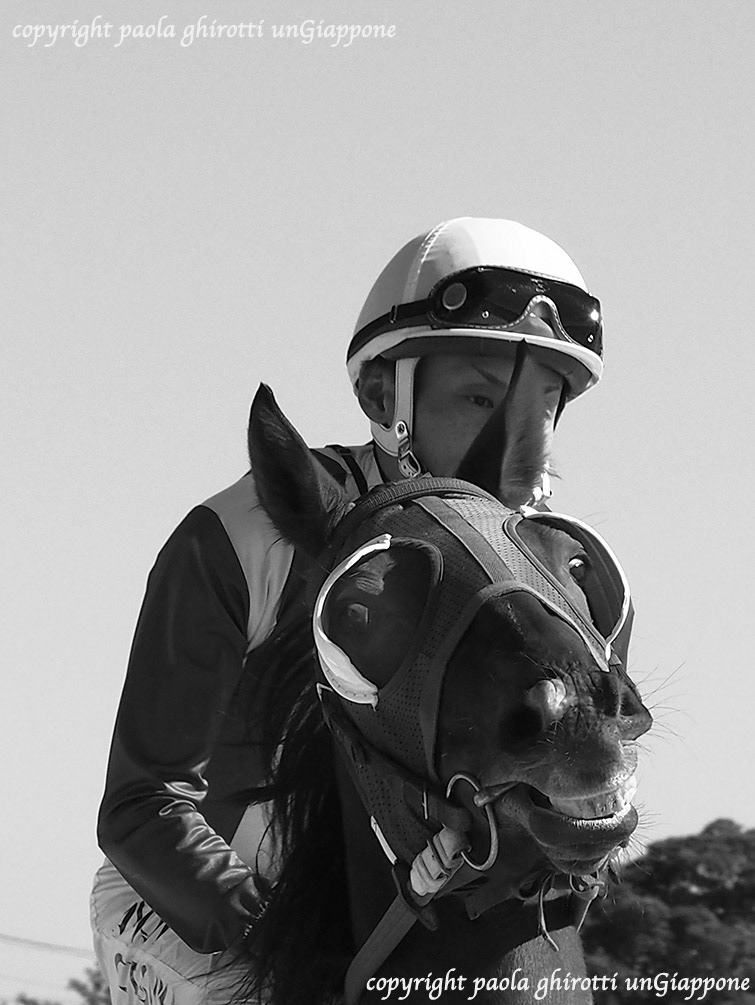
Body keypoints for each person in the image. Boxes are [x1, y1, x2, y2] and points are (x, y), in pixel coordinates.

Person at [91, 217, 605, 1003]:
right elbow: (142, 803)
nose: (520, 449)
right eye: (478, 396)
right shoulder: (239, 535)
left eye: (545, 408)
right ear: (379, 394)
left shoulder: (549, 579)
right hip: (208, 910)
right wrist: (283, 936)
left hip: (413, 913)